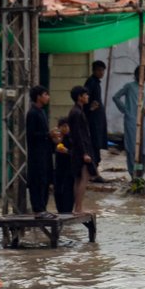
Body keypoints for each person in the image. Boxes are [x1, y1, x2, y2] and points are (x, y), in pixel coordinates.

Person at [113, 65, 145, 179]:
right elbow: (116, 97)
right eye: (139, 74)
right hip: (131, 121)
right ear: (135, 75)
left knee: (144, 150)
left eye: (144, 74)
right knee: (132, 148)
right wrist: (125, 110)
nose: (141, 76)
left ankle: (140, 173)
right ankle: (133, 173)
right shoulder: (129, 87)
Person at [25, 85, 53, 216]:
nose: (48, 97)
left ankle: (43, 207)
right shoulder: (32, 113)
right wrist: (47, 134)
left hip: (44, 152)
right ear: (38, 97)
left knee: (45, 179)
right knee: (37, 179)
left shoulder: (42, 111)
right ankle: (38, 209)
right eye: (45, 94)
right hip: (36, 154)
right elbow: (31, 135)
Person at [67, 85, 94, 213]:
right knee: (83, 177)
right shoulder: (76, 113)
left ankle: (77, 207)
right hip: (80, 150)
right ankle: (78, 207)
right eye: (85, 95)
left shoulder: (77, 111)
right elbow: (78, 134)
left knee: (78, 178)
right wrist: (84, 153)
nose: (87, 97)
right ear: (79, 97)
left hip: (78, 149)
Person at [83, 61, 108, 182]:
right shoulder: (91, 82)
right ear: (94, 70)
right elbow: (85, 101)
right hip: (93, 121)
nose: (101, 73)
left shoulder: (96, 83)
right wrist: (90, 108)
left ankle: (94, 172)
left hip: (98, 120)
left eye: (103, 70)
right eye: (99, 70)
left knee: (97, 145)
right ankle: (93, 173)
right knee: (93, 145)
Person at [51, 118, 74, 214]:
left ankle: (68, 210)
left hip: (69, 169)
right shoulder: (57, 139)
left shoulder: (72, 139)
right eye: (63, 126)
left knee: (68, 190)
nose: (65, 128)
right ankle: (60, 210)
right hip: (59, 168)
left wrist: (67, 151)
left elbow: (76, 153)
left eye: (67, 126)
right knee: (58, 190)